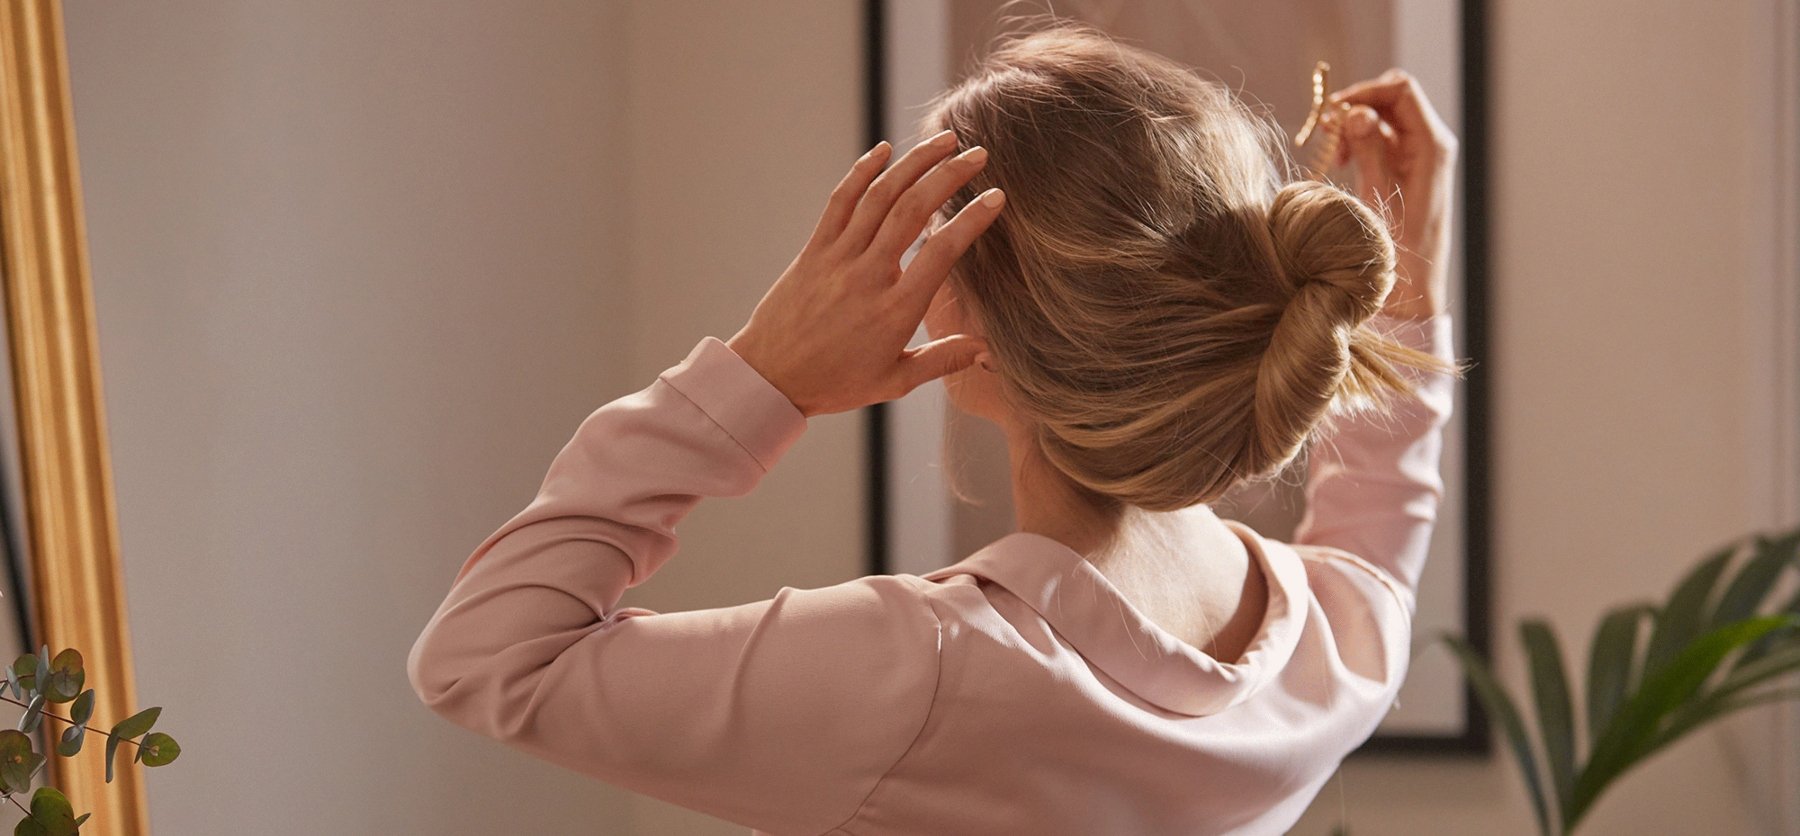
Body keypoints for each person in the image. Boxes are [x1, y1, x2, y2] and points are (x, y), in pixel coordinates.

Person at [409, 23, 1461, 836]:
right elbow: (1382, 524)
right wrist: (1414, 287)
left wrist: (762, 374)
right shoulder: (1331, 646)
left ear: (979, 327)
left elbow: (484, 655)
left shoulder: (926, 667)